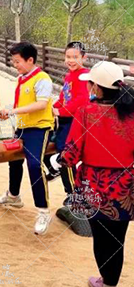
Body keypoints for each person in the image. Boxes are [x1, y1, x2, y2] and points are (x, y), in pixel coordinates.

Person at [57, 61, 134, 287]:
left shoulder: (86, 112)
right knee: (118, 240)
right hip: (125, 187)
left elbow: (71, 154)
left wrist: (58, 160)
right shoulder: (131, 111)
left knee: (101, 239)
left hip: (94, 186)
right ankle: (111, 283)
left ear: (97, 88)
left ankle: (106, 282)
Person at [0, 42, 55, 236]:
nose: (15, 65)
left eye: (17, 61)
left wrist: (12, 111)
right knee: (14, 160)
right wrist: (8, 112)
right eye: (13, 62)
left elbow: (41, 104)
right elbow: (22, 104)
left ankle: (43, 211)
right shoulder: (22, 78)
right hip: (21, 127)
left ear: (30, 60)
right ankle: (14, 195)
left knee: (34, 165)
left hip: (39, 128)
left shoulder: (42, 78)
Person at [44, 41, 90, 198]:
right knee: (46, 144)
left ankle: (73, 194)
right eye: (68, 57)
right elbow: (64, 97)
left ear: (84, 57)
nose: (71, 60)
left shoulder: (84, 76)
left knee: (66, 155)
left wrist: (60, 111)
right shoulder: (69, 76)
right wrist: (51, 108)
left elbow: (81, 101)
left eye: (75, 57)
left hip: (74, 121)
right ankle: (54, 169)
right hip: (63, 119)